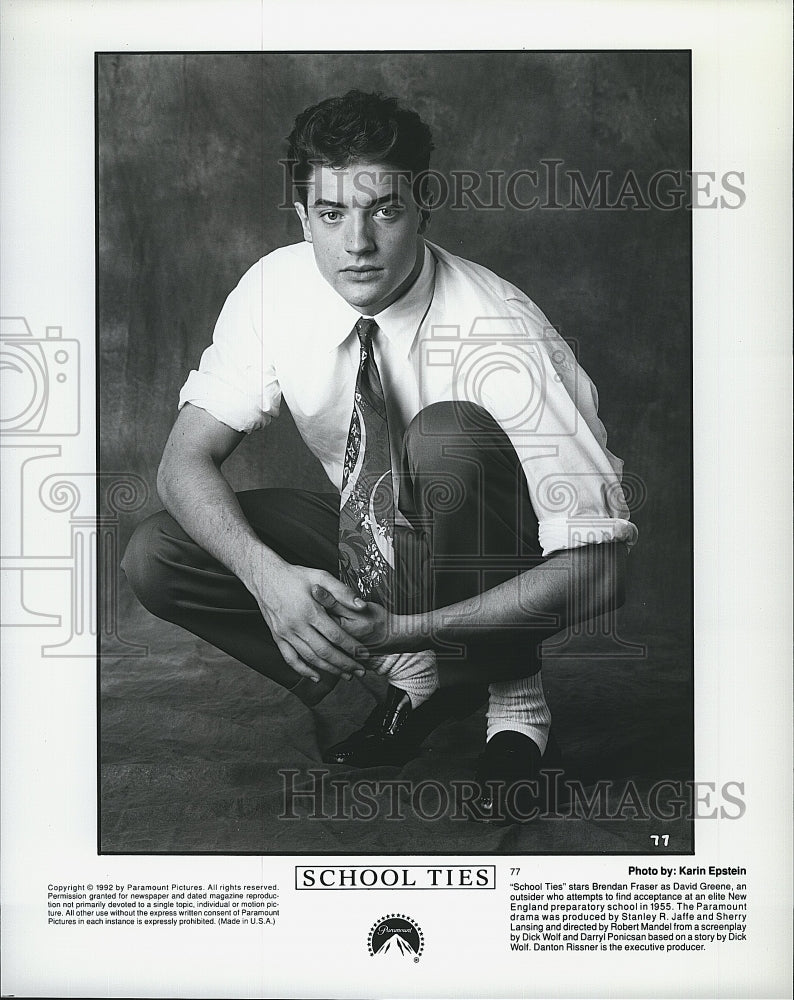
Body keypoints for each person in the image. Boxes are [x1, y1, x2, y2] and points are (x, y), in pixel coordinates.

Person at [122, 90, 637, 822]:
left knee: (447, 436)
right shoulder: (275, 288)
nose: (356, 243)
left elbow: (603, 572)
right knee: (159, 555)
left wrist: (407, 628)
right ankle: (410, 678)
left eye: (384, 210)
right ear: (303, 216)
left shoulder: (501, 333)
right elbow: (183, 463)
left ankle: (512, 701)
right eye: (331, 214)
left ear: (422, 207)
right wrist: (269, 580)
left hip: (500, 549)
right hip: (375, 534)